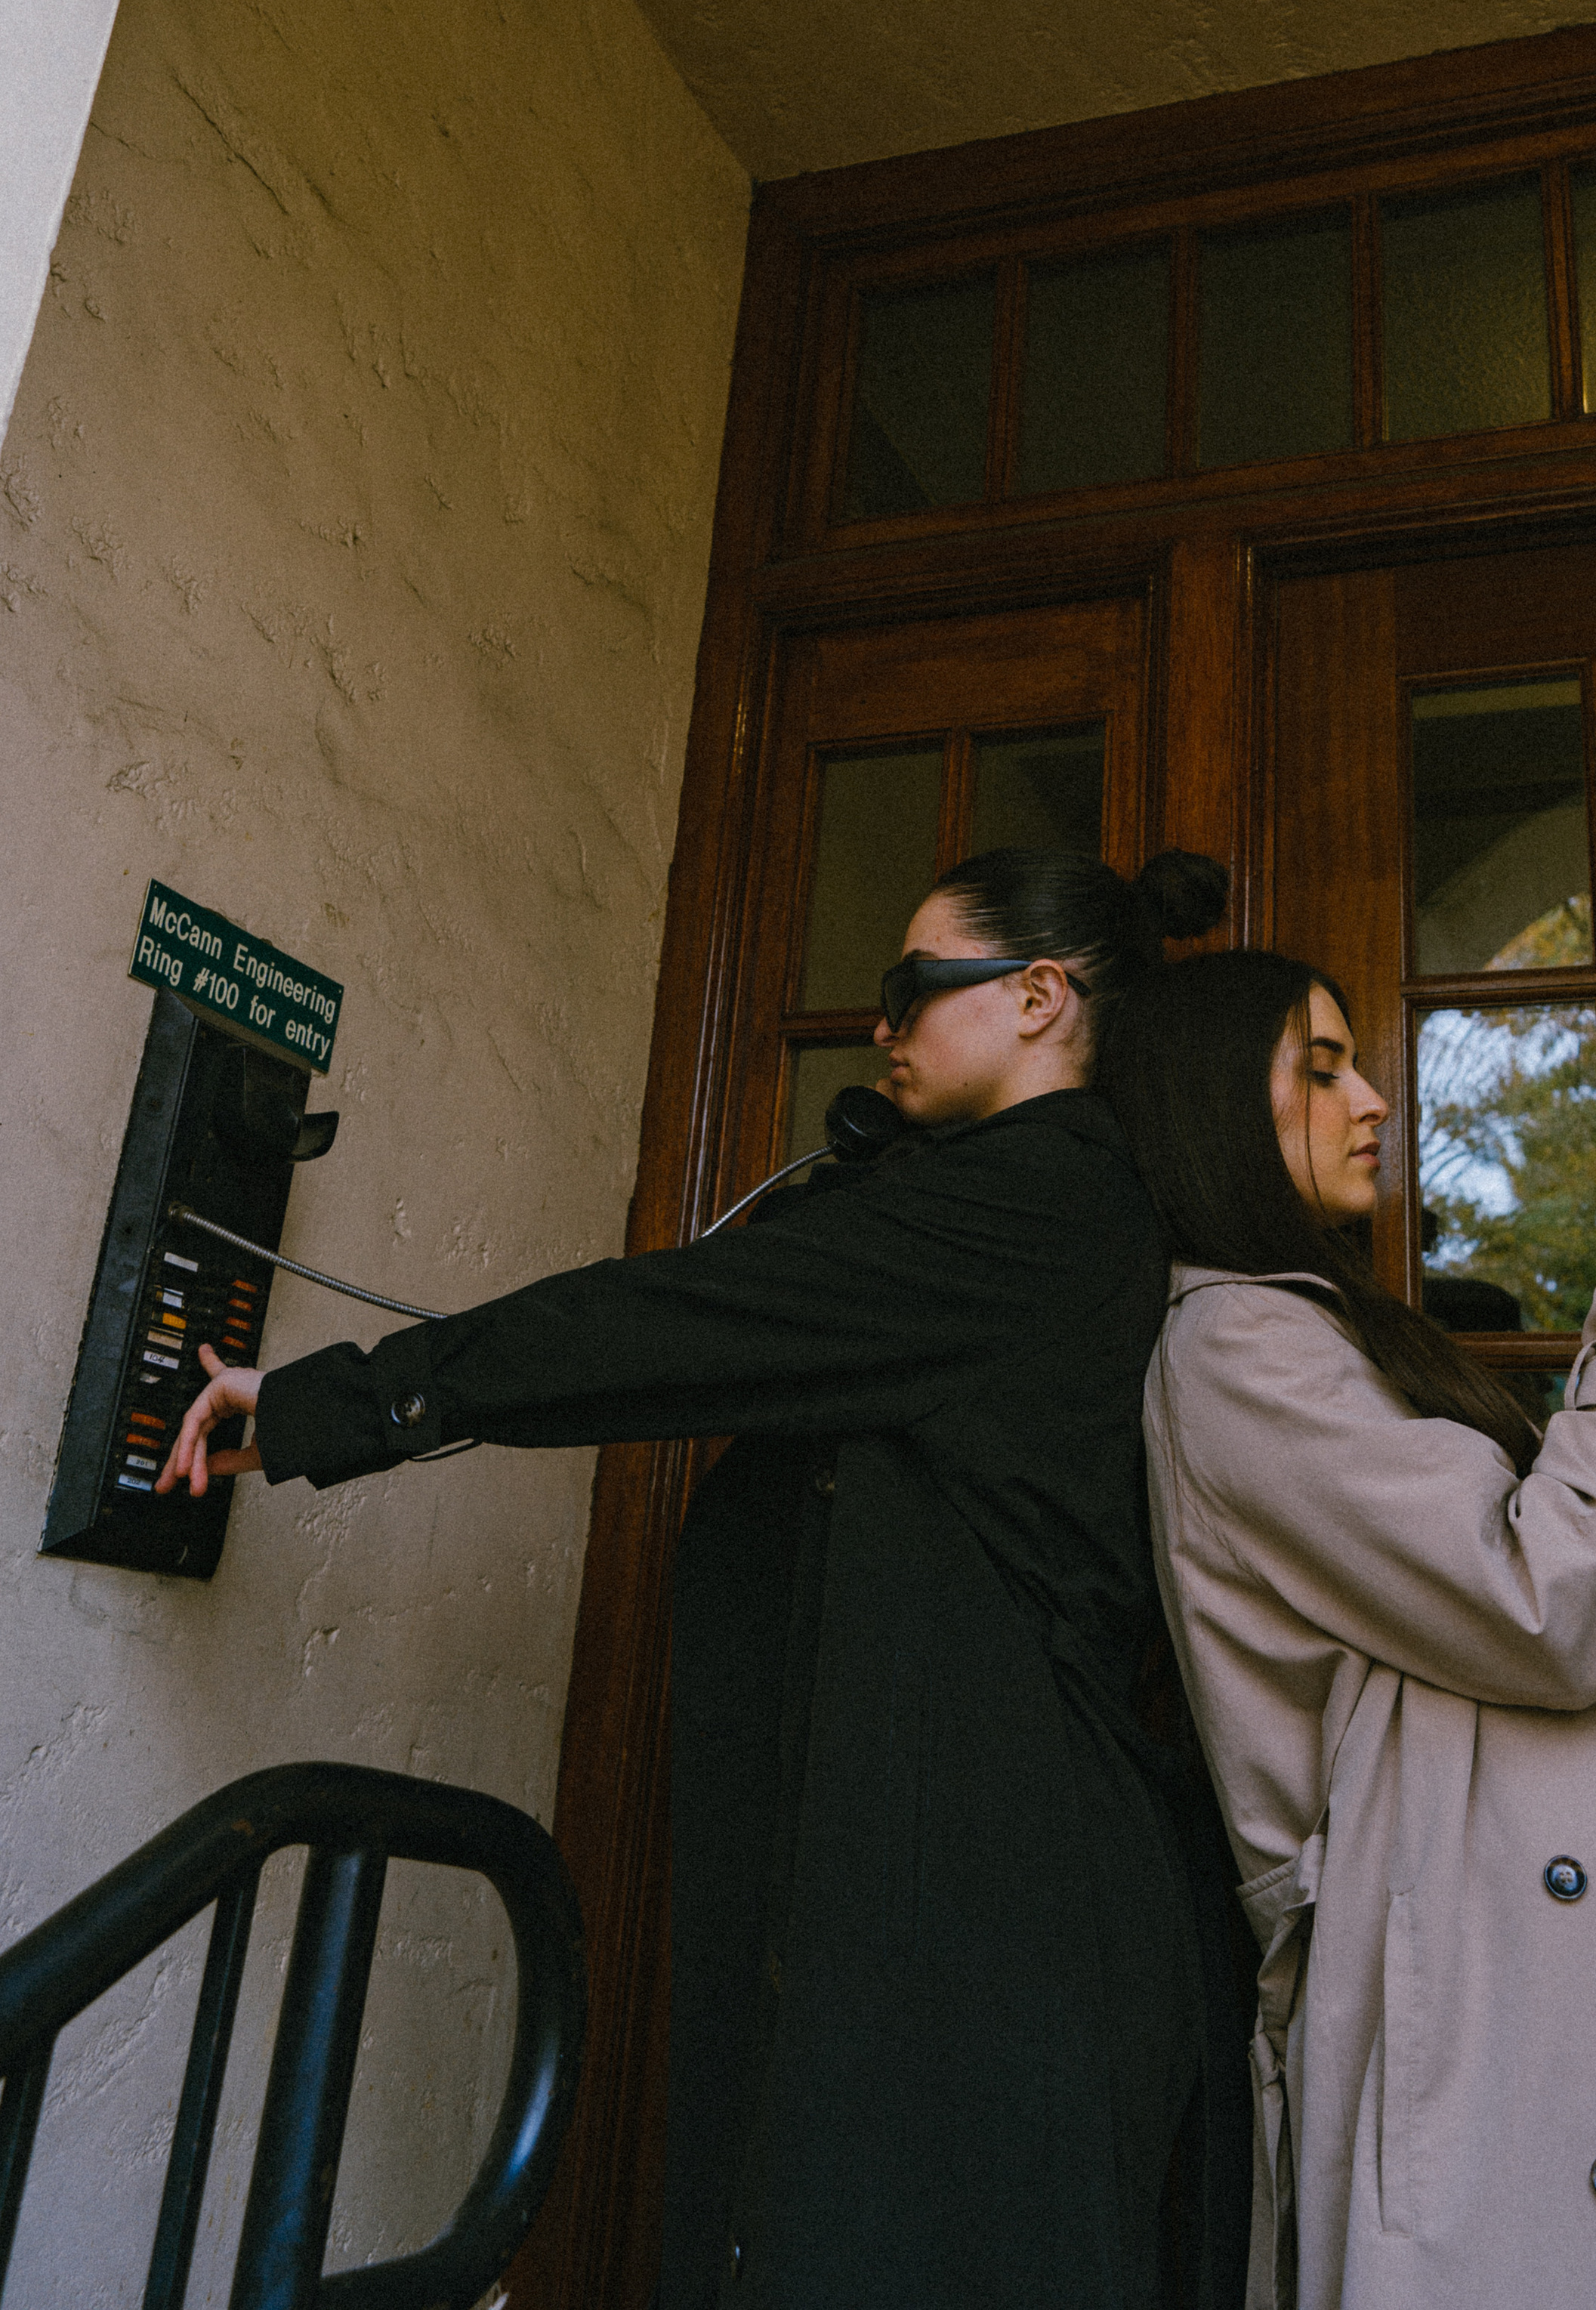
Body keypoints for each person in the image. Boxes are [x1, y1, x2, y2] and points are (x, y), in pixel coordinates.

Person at [161, 846, 1235, 2310]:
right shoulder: (1008, 1198)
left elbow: (685, 1318)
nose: (883, 1024)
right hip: (966, 1897)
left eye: (914, 986)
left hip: (996, 1915)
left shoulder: (1044, 1194)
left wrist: (343, 1404)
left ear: (1039, 997)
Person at [1098, 949, 1596, 2310]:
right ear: (1210, 1107)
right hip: (1487, 1994)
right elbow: (1546, 1597)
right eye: (1321, 1069)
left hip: (1523, 1979)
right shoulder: (1235, 1346)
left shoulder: (1324, 1336)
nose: (1373, 1100)